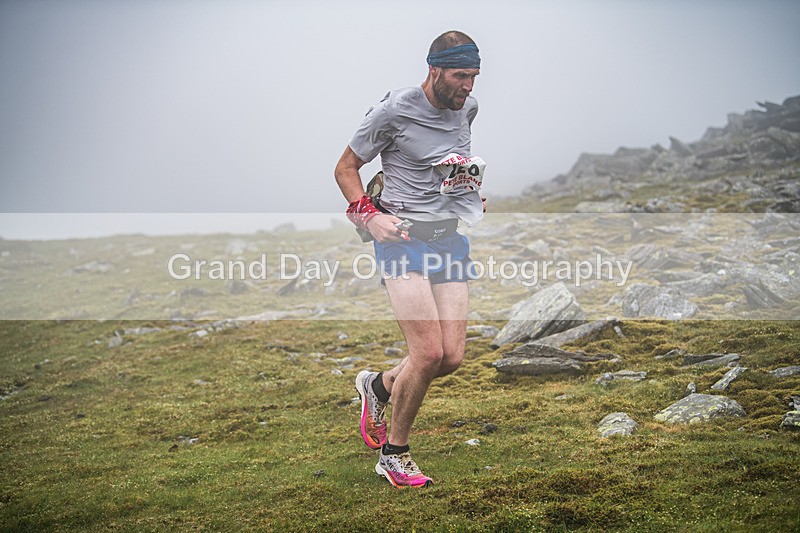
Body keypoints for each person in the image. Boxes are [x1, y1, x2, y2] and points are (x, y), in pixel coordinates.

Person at [334, 30, 484, 488]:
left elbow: (442, 163)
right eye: (460, 75)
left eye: (474, 76)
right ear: (434, 70)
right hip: (400, 238)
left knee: (452, 357)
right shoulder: (394, 110)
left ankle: (377, 387)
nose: (468, 87)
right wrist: (368, 216)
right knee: (428, 352)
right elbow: (345, 168)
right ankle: (394, 454)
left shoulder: (467, 109)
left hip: (448, 236)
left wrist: (468, 189)